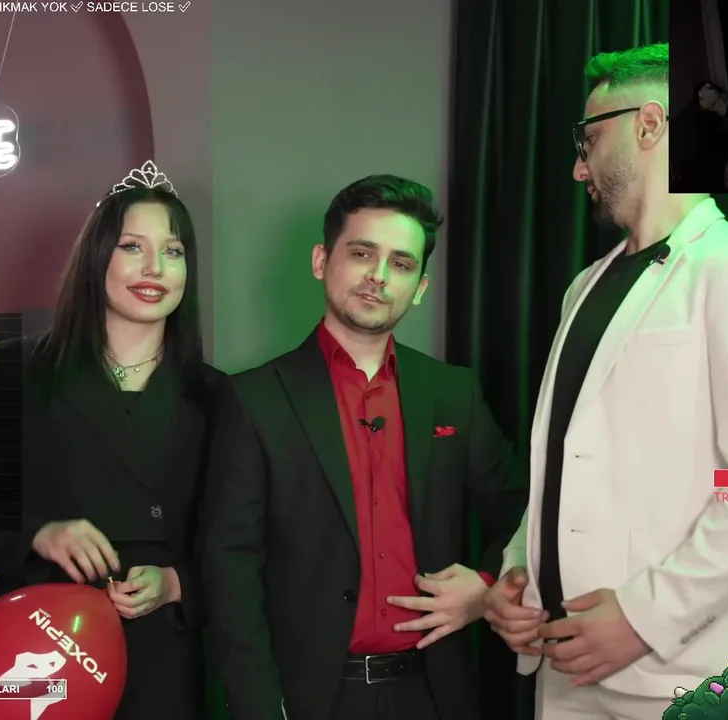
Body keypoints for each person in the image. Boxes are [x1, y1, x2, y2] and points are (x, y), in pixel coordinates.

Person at [482, 44, 728, 720]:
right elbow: (567, 465)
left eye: (588, 140)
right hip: (566, 668)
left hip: (689, 676)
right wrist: (517, 574)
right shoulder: (584, 286)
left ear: (647, 124)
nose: (579, 166)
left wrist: (642, 618)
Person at [202, 175, 529, 720]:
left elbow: (522, 509)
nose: (379, 275)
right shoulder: (254, 399)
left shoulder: (453, 393)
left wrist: (487, 584)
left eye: (401, 264)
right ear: (321, 261)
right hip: (310, 699)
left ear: (420, 286)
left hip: (434, 693)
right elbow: (229, 569)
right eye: (362, 254)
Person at [0, 162, 226, 720]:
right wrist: (40, 534)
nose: (154, 268)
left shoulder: (217, 396)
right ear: (97, 257)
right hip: (37, 646)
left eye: (173, 251)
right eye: (132, 247)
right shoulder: (18, 371)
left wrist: (177, 584)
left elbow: (243, 544)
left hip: (163, 662)